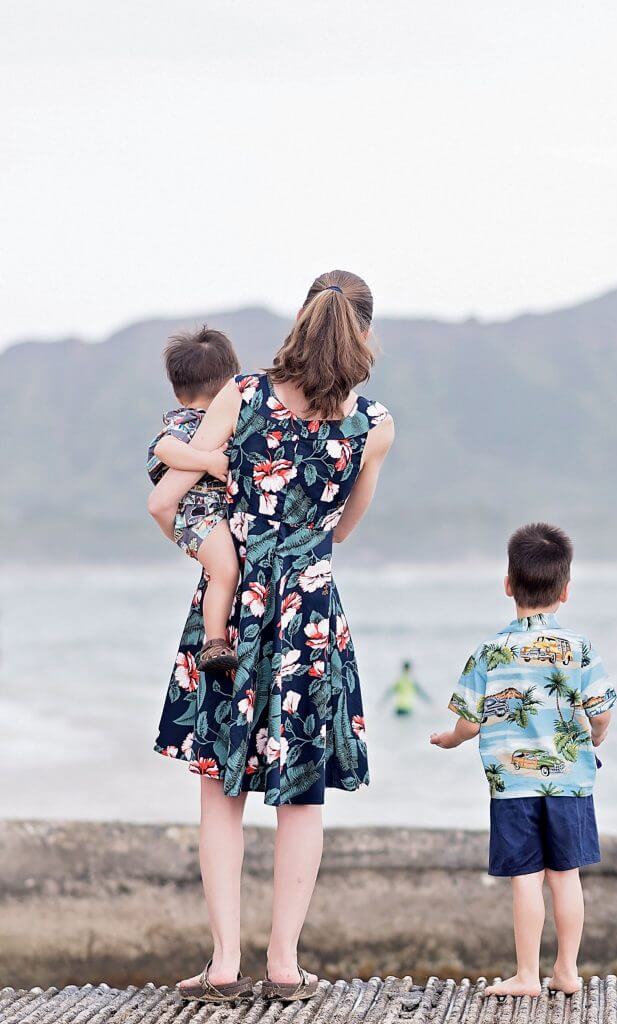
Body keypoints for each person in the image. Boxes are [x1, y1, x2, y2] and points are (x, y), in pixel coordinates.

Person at [148, 270, 395, 1002]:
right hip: (311, 614)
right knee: (302, 798)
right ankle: (283, 965)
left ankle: (225, 963)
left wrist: (220, 546)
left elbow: (169, 493)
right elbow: (344, 528)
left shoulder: (245, 394)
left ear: (301, 318)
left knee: (219, 792)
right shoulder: (374, 424)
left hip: (237, 610)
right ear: (365, 333)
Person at [430, 523, 617, 997]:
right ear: (566, 589)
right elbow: (602, 712)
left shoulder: (489, 653)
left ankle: (527, 976)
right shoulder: (579, 648)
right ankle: (568, 971)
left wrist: (450, 740)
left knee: (525, 881)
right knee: (566, 877)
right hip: (570, 783)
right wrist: (595, 736)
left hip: (512, 786)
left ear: (508, 584)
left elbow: (469, 723)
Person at [147, 326, 241, 671]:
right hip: (199, 517)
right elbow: (164, 447)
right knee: (226, 571)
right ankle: (214, 643)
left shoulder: (225, 422)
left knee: (224, 571)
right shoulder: (188, 422)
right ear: (230, 383)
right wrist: (208, 460)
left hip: (207, 517)